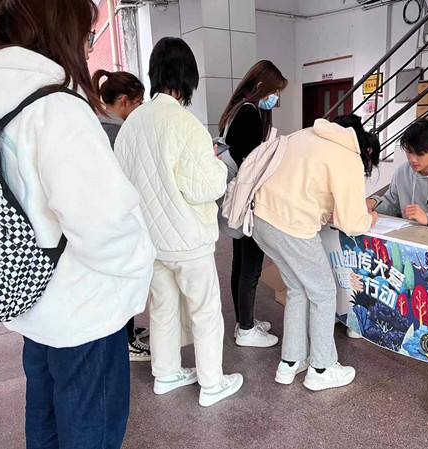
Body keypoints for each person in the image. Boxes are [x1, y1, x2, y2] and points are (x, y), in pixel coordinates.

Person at [0, 1, 155, 447]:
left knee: (44, 417)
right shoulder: (55, 107)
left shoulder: (4, 96)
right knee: (91, 428)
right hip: (84, 310)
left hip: (30, 300)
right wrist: (139, 270)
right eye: (86, 34)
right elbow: (103, 223)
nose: (87, 46)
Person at [114, 37, 243, 406]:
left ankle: (166, 373)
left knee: (162, 308)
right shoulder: (186, 125)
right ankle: (212, 383)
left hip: (150, 239)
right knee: (205, 311)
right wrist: (216, 165)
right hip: (187, 239)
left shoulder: (132, 124)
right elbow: (206, 187)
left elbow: (122, 182)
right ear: (188, 78)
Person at [251, 114, 379, 391]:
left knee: (298, 289)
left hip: (260, 219)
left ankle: (291, 362)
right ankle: (322, 368)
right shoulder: (348, 155)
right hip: (291, 226)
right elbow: (352, 223)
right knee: (323, 292)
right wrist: (369, 217)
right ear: (367, 150)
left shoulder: (307, 134)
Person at [218, 60, 288, 348]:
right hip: (249, 202)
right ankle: (246, 329)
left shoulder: (237, 111)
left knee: (240, 263)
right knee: (251, 265)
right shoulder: (249, 114)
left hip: (238, 200)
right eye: (275, 91)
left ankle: (244, 322)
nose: (276, 98)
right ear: (261, 86)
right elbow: (252, 166)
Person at [92, 69, 151, 362]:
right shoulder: (115, 132)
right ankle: (126, 341)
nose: (140, 108)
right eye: (138, 102)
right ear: (125, 99)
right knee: (124, 279)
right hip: (116, 219)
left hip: (105, 219)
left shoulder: (96, 123)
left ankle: (126, 332)